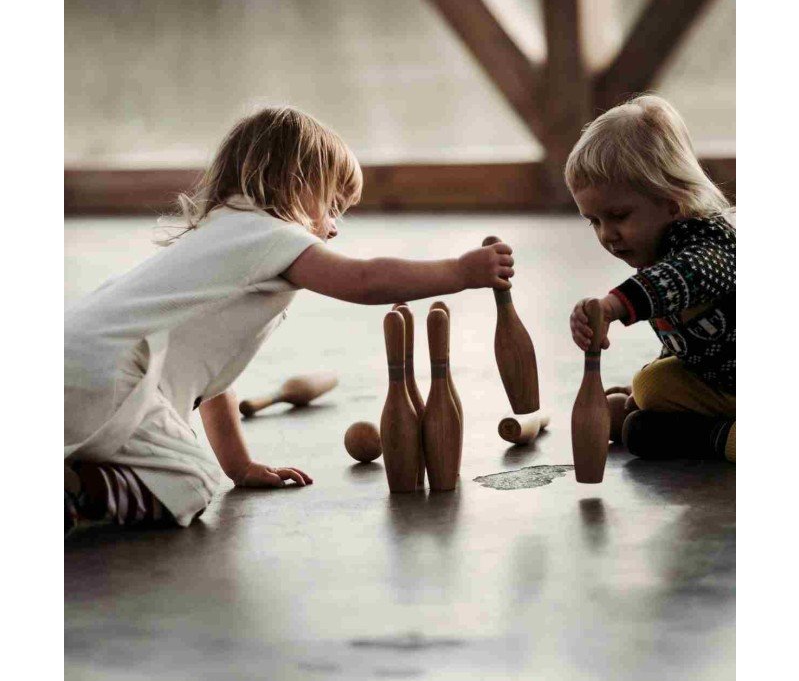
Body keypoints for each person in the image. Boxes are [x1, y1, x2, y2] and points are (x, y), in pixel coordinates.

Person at [65, 106, 515, 535]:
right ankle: (71, 493)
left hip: (78, 355)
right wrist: (459, 272)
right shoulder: (271, 234)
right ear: (296, 184)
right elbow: (364, 280)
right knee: (189, 480)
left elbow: (214, 383)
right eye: (332, 206)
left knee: (140, 455)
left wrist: (240, 466)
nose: (334, 227)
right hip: (115, 374)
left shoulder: (220, 232)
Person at [565, 95, 735, 463]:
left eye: (618, 216)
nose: (607, 234)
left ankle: (718, 436)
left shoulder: (711, 246)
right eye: (594, 221)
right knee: (651, 385)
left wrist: (614, 305)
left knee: (649, 394)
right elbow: (686, 339)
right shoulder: (657, 251)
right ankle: (676, 422)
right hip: (725, 382)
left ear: (672, 201)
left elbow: (681, 278)